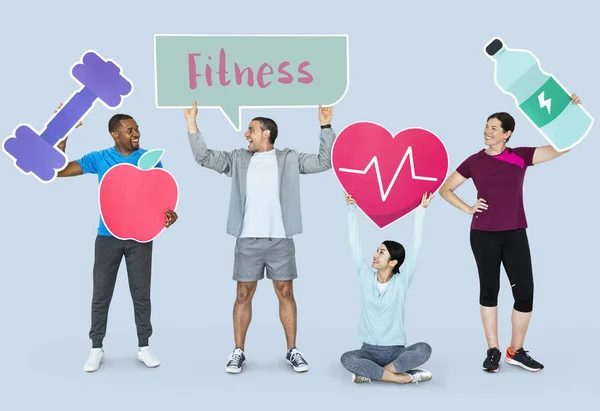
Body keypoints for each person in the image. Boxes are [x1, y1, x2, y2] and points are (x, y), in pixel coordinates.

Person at [184, 100, 335, 374]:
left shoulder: (290, 158)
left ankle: (293, 351)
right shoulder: (238, 159)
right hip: (247, 240)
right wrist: (192, 122)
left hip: (280, 239)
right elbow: (203, 157)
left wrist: (325, 125)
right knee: (243, 294)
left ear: (266, 133)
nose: (246, 134)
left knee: (286, 292)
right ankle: (238, 351)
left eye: (250, 130)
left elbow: (325, 162)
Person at [438, 93, 583, 373]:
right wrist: (468, 208)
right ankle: (492, 350)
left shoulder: (520, 156)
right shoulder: (474, 161)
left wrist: (570, 113)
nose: (487, 131)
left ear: (507, 134)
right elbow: (446, 189)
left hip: (515, 232)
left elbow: (562, 147)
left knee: (525, 293)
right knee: (489, 290)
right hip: (483, 234)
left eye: (494, 127)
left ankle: (515, 351)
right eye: (486, 126)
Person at [55, 108, 178, 372]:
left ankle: (144, 347)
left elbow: (161, 194)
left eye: (137, 129)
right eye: (129, 130)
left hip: (141, 238)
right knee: (101, 295)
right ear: (115, 134)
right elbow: (60, 170)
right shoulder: (100, 158)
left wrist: (169, 214)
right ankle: (96, 349)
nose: (136, 134)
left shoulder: (149, 158)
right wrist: (63, 135)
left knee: (141, 295)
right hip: (107, 237)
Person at [340, 192, 434, 385]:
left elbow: (415, 247)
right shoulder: (366, 276)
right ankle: (402, 378)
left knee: (424, 348)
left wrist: (421, 212)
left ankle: (376, 374)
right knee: (347, 359)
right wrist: (351, 210)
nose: (375, 255)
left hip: (396, 351)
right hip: (367, 351)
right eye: (377, 250)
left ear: (393, 262)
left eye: (381, 252)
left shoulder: (402, 281)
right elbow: (354, 245)